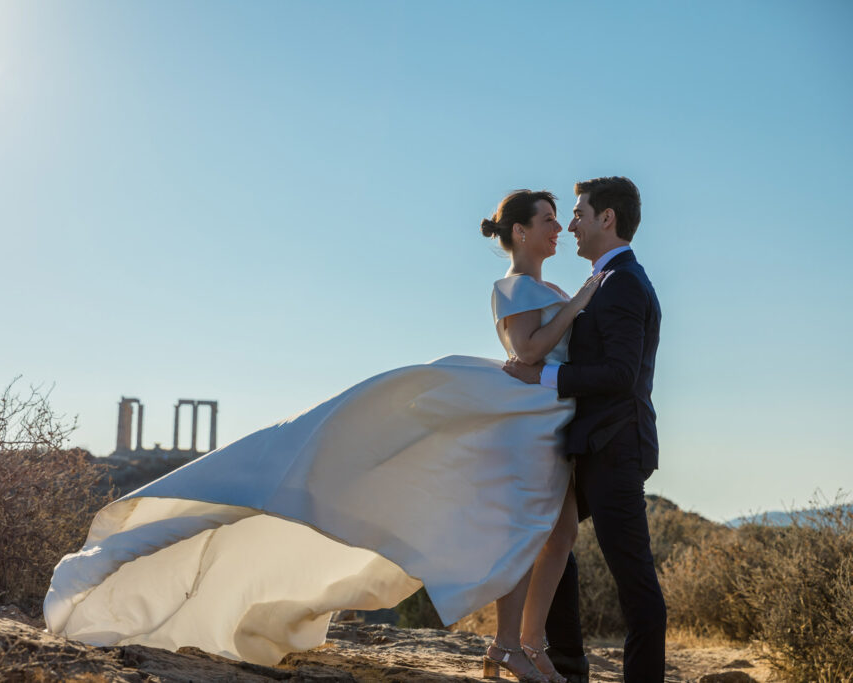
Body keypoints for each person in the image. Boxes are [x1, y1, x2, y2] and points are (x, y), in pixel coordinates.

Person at [44, 189, 600, 683]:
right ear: (520, 231)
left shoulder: (546, 284)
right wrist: (579, 303)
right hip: (521, 423)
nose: (558, 228)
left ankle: (524, 645)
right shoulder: (513, 286)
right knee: (522, 535)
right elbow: (526, 352)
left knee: (555, 533)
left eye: (559, 219)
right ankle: (512, 647)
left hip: (545, 418)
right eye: (549, 219)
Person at [504, 176, 665, 682]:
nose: (571, 224)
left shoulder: (621, 284)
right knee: (555, 539)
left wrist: (543, 374)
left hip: (614, 447)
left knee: (637, 588)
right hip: (586, 443)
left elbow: (620, 374)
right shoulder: (604, 282)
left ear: (606, 219)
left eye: (578, 213)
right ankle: (564, 661)